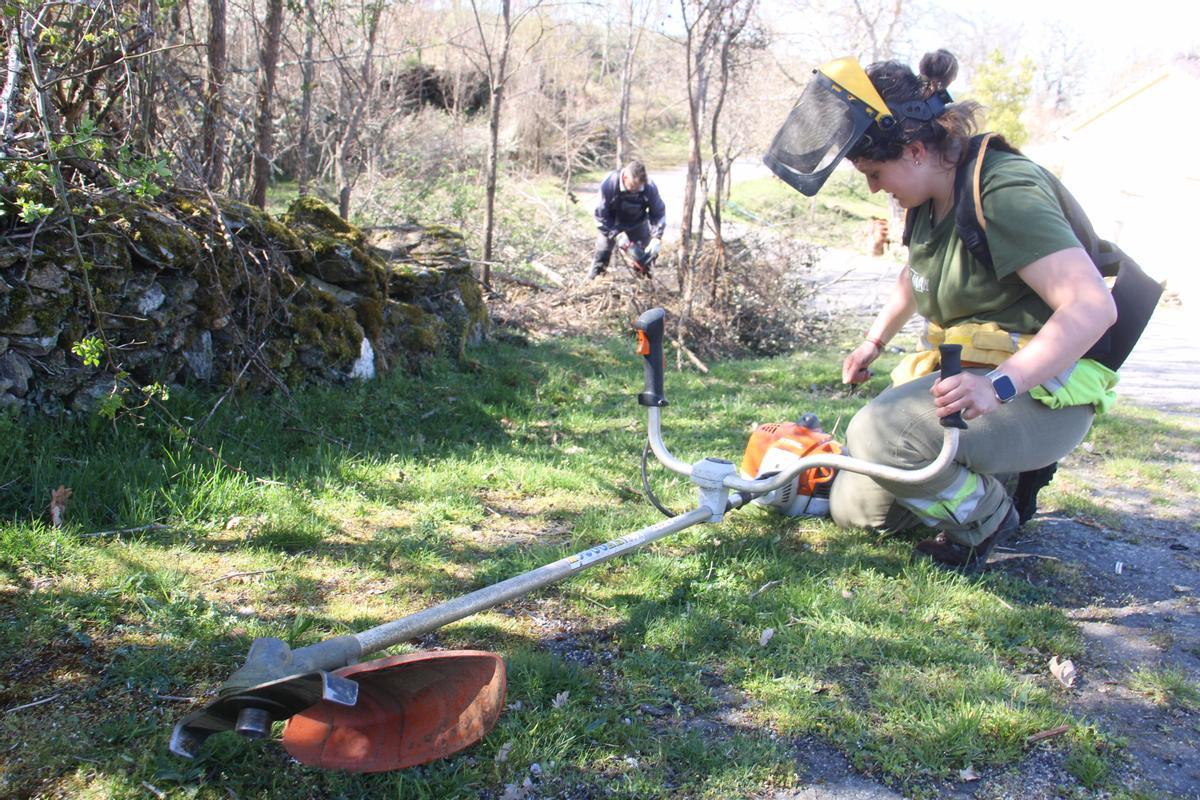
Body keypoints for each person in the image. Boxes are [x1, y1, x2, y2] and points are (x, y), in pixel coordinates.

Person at [764, 51, 1118, 572]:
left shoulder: (1002, 190)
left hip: (1038, 392)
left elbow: (1092, 308)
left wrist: (997, 386)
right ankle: (978, 477)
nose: (874, 186)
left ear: (913, 151)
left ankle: (988, 516)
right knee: (856, 511)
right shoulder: (929, 201)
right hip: (970, 381)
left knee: (880, 433)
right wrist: (873, 342)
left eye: (874, 172)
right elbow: (918, 275)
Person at [589, 161, 666, 279]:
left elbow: (658, 213)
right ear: (625, 178)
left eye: (639, 187)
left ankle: (645, 287)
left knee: (646, 258)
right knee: (602, 252)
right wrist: (616, 235)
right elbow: (600, 216)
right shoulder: (610, 184)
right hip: (611, 224)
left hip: (637, 223)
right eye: (633, 186)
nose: (636, 190)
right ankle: (594, 283)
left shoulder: (649, 186)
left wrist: (656, 238)